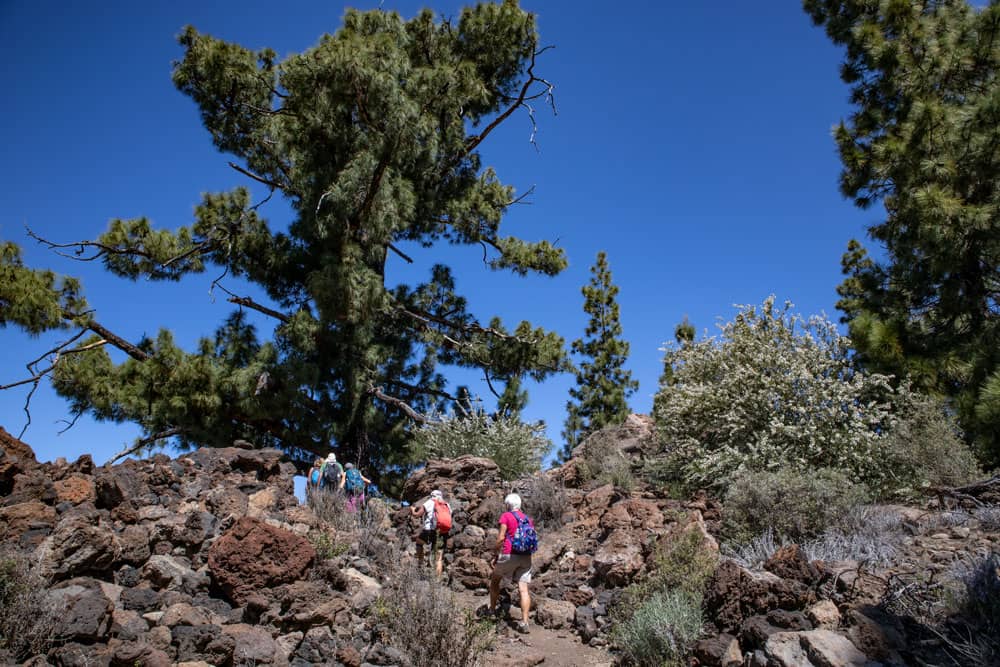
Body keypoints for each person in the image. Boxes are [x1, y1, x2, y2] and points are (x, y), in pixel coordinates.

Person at [481, 493, 534, 634]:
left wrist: (494, 554)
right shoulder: (528, 519)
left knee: (495, 580)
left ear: (508, 505)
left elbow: (500, 538)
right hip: (526, 556)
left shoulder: (506, 516)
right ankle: (524, 622)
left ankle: (492, 611)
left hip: (509, 553)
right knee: (523, 589)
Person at [410, 489, 450, 577]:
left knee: (419, 543)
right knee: (438, 558)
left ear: (432, 495)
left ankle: (420, 563)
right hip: (443, 532)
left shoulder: (430, 502)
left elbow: (417, 515)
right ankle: (438, 582)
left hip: (430, 530)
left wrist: (412, 510)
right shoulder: (447, 505)